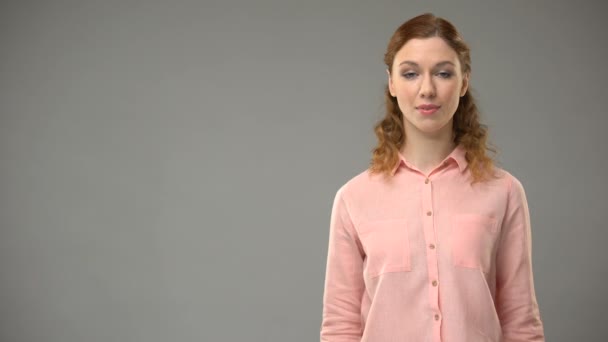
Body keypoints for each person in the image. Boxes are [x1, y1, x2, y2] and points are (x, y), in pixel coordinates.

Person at [319, 13, 545, 342]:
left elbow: (520, 319)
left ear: (464, 81)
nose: (427, 89)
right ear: (392, 83)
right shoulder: (354, 199)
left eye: (443, 73)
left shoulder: (504, 192)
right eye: (410, 74)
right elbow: (340, 325)